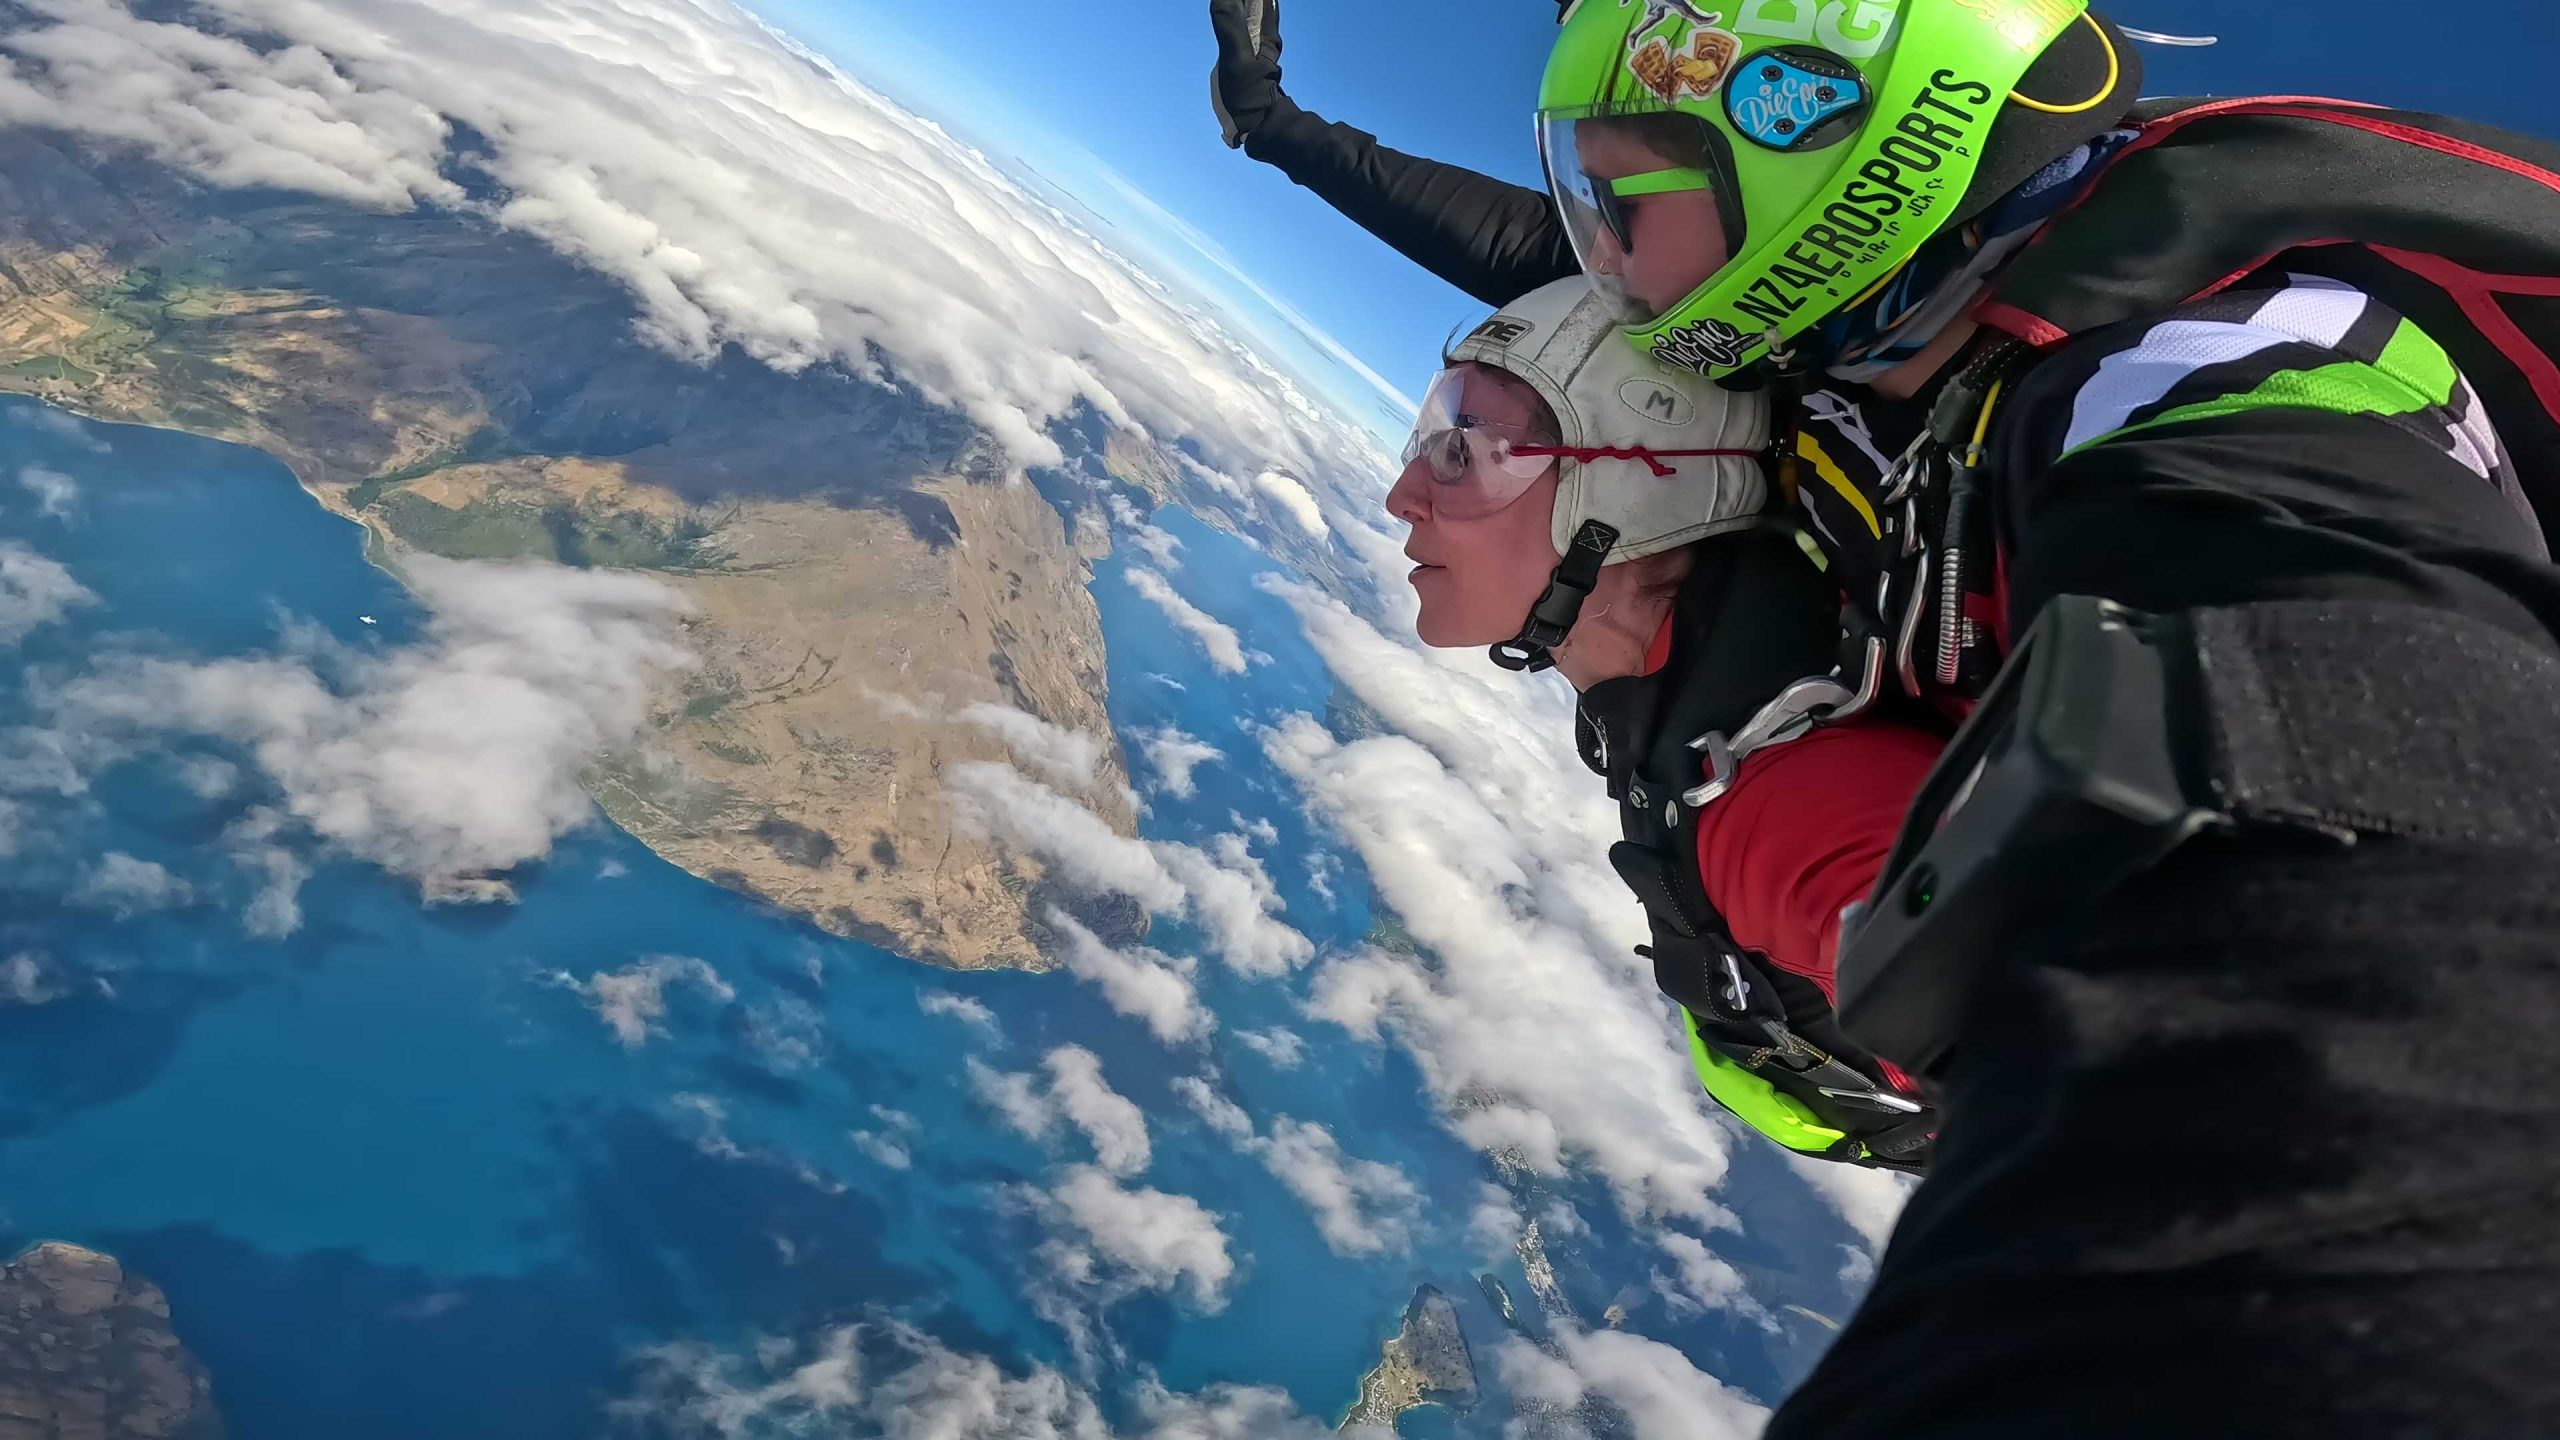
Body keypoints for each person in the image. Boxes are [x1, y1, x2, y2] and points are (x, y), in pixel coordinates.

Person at [1223, 0, 2560, 1432]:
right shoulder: (1863, 309)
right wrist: (1285, 131)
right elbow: (1553, 287)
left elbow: (2386, 913)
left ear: (1837, 142)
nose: (1598, 262)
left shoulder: (2233, 373)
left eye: (1622, 199)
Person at [1391, 274, 1949, 1171]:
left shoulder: (1782, 806)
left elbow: (2097, 1052)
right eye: (1430, 436)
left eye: (1468, 451)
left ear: (1625, 502)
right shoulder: (1682, 682)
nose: (1402, 494)